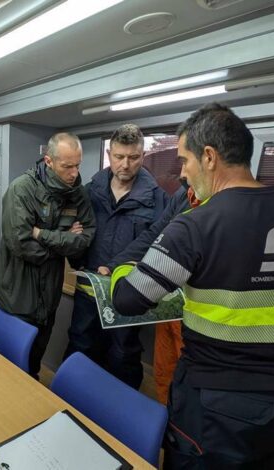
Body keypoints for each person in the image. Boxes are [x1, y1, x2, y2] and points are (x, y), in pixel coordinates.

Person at [111, 103, 274, 468]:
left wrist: (123, 268)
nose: (183, 174)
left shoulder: (194, 225)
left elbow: (128, 300)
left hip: (215, 407)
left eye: (185, 161)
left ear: (209, 156)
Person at [65, 124, 168, 389]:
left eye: (133, 157)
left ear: (142, 156)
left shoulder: (158, 201)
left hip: (128, 295)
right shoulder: (90, 191)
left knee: (123, 355)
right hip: (89, 291)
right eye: (119, 157)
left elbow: (159, 248)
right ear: (110, 154)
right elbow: (78, 236)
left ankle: (117, 421)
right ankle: (74, 403)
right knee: (81, 346)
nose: (125, 164)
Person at [0, 133, 96, 379]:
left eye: (77, 165)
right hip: (16, 295)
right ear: (48, 161)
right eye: (66, 166)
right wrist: (64, 238)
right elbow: (21, 244)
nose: (73, 173)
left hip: (49, 296)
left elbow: (86, 237)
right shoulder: (22, 189)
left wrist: (43, 234)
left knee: (34, 364)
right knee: (9, 367)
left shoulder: (77, 192)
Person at [108, 181, 200, 404]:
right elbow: (157, 233)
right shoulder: (182, 194)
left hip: (197, 317)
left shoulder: (219, 205)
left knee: (189, 385)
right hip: (169, 305)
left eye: (186, 161)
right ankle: (163, 426)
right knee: (163, 371)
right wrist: (116, 264)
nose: (181, 173)